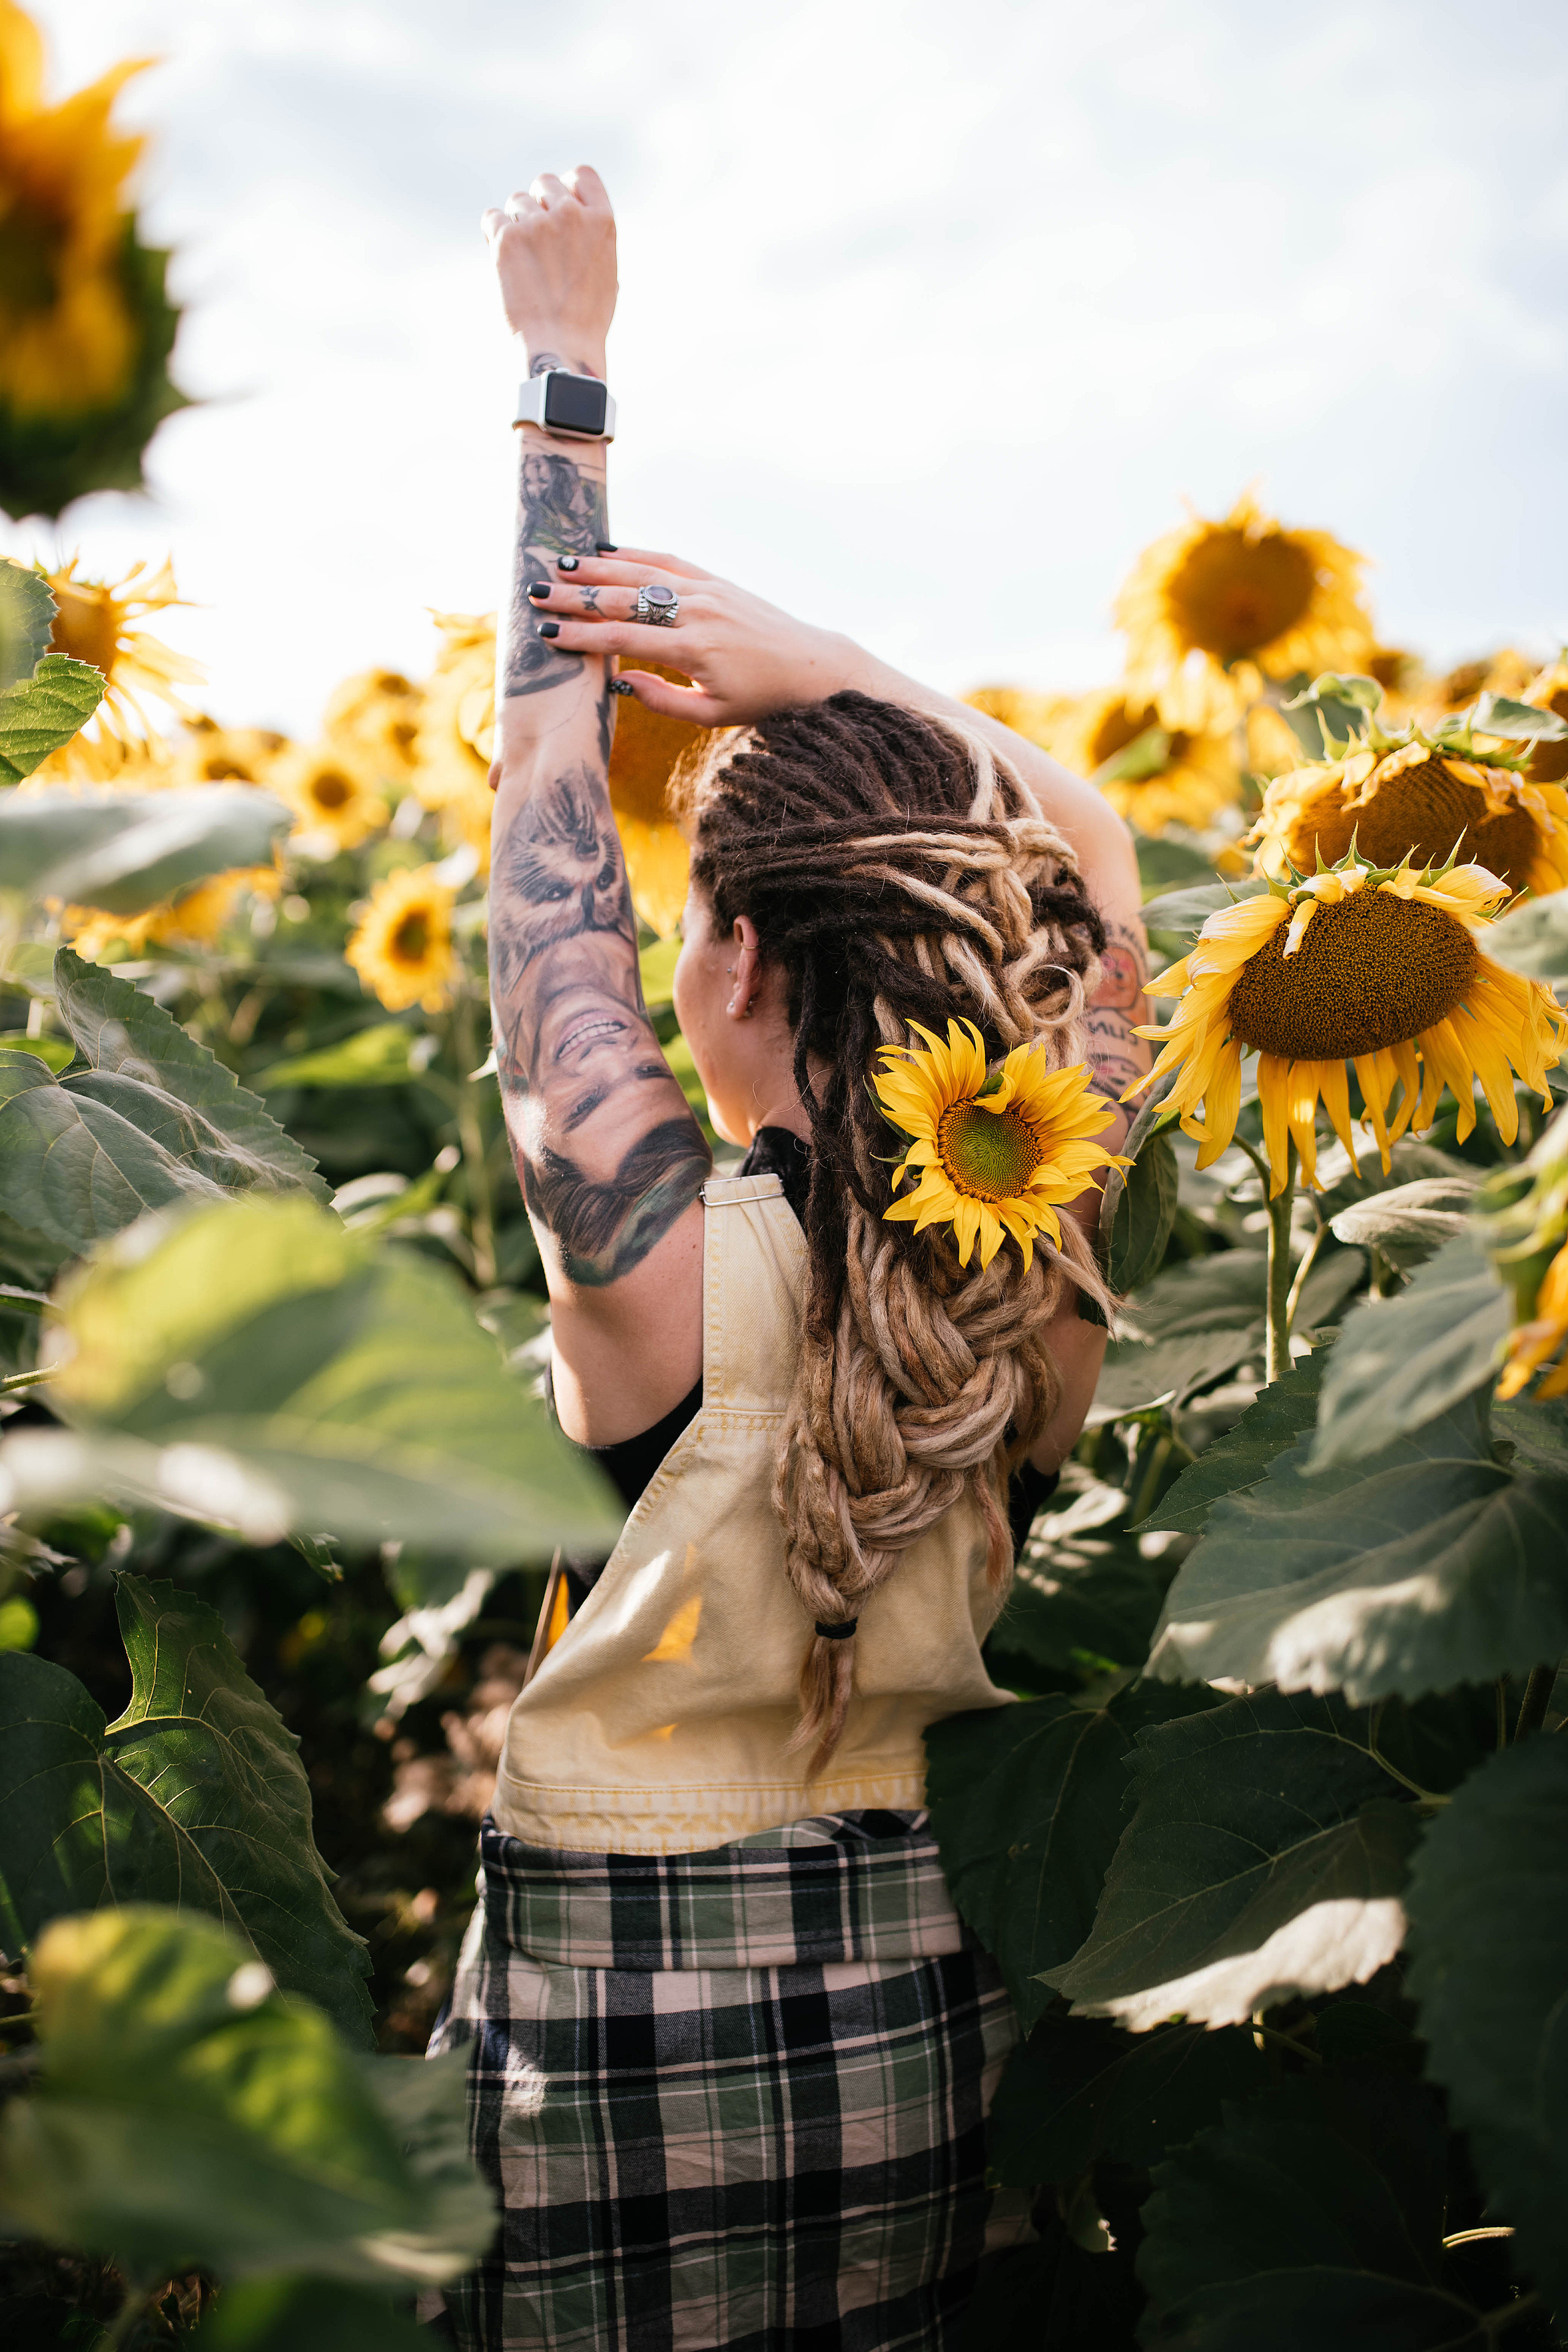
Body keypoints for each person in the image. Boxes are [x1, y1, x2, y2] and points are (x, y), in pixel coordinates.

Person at [428, 163, 1151, 2352]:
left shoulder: (655, 1273)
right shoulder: (1045, 1260)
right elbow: (1098, 864)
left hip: (617, 2050)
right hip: (923, 2024)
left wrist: (563, 385)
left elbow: (544, 820)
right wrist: (847, 672)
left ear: (725, 962)